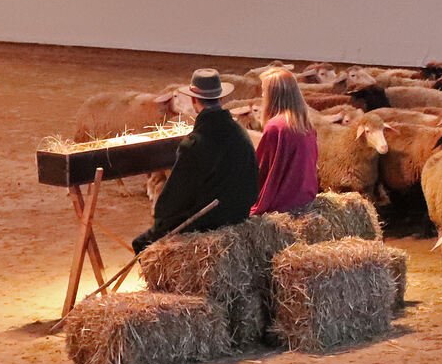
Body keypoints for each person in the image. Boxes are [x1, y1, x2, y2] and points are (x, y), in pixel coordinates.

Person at [133, 69, 259, 253]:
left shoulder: (195, 143)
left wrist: (160, 222)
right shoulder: (241, 134)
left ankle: (158, 282)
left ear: (194, 101)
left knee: (141, 243)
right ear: (220, 98)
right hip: (239, 214)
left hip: (209, 220)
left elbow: (174, 199)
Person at [251, 68, 319, 215]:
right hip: (304, 198)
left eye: (264, 92)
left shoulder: (276, 126)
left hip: (283, 202)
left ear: (273, 96)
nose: (262, 96)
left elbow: (262, 168)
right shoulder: (306, 124)